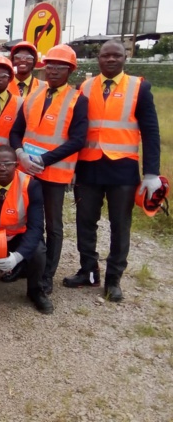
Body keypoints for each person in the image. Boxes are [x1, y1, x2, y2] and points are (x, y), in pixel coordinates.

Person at [64, 40, 161, 302]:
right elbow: (76, 131)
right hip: (89, 166)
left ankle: (113, 279)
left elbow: (151, 132)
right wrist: (71, 167)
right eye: (105, 55)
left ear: (125, 57)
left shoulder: (139, 87)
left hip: (123, 170)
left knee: (120, 225)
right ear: (98, 58)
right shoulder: (85, 87)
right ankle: (88, 272)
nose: (110, 59)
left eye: (116, 55)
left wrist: (152, 173)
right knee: (85, 222)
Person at [9, 44, 88, 294]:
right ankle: (23, 266)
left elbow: (78, 140)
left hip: (54, 174)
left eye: (60, 67)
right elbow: (16, 132)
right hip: (27, 171)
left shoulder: (78, 99)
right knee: (25, 220)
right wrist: (20, 154)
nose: (53, 71)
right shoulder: (33, 96)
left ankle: (46, 276)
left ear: (70, 70)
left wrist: (44, 160)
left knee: (52, 226)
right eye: (50, 66)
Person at [0, 145, 53, 314]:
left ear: (17, 165)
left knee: (38, 250)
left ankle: (35, 291)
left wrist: (17, 256)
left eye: (8, 163)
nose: (2, 168)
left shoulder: (31, 185)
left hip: (17, 236)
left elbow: (36, 228)